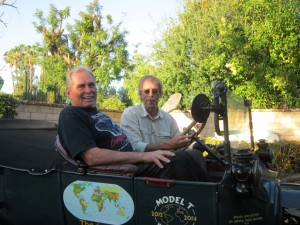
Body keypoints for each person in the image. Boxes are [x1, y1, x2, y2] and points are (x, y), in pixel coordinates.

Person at [57, 65, 208, 181]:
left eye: (91, 85)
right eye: (81, 86)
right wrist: (144, 156)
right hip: (125, 173)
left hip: (135, 163)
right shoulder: (70, 115)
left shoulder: (95, 113)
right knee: (182, 160)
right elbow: (92, 157)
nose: (88, 90)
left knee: (195, 154)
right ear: (69, 92)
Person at [121, 75, 210, 181]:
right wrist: (170, 144)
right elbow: (135, 146)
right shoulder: (131, 114)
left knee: (196, 154)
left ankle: (207, 190)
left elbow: (178, 143)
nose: (151, 95)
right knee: (181, 159)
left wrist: (186, 141)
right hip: (142, 165)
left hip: (166, 163)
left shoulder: (168, 119)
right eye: (146, 91)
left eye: (154, 91)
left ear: (160, 95)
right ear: (140, 94)